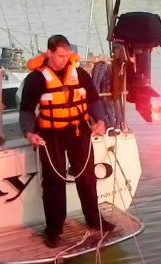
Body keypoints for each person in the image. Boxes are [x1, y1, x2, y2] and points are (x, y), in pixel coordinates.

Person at [19, 34, 114, 248]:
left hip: (79, 130)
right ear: (50, 53)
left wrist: (100, 121)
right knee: (54, 181)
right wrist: (29, 133)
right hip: (50, 134)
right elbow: (25, 110)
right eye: (60, 55)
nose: (64, 59)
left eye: (67, 55)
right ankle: (53, 230)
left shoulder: (79, 74)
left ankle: (94, 219)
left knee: (88, 177)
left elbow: (93, 101)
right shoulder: (36, 79)